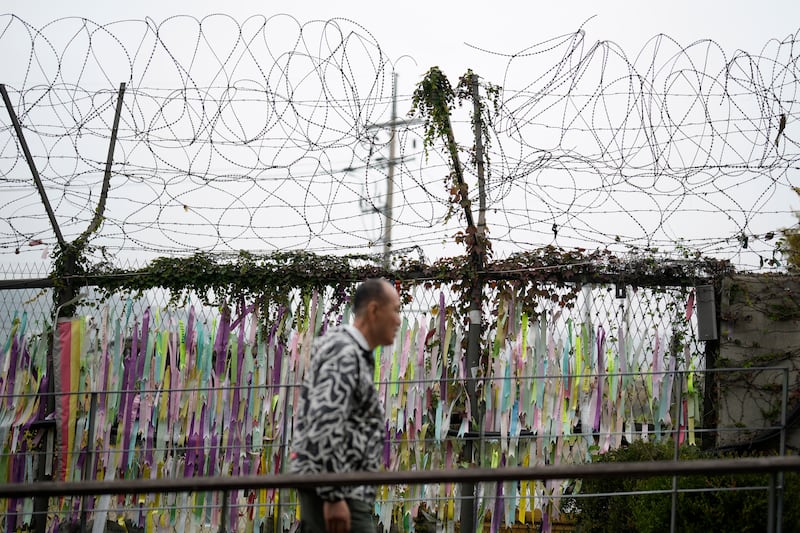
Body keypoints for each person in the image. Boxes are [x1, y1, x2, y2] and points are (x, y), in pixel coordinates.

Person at [291, 278, 401, 533]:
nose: (398, 320)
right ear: (374, 310)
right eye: (395, 310)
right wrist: (333, 495)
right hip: (337, 490)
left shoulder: (352, 351)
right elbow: (324, 421)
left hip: (340, 487)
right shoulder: (344, 352)